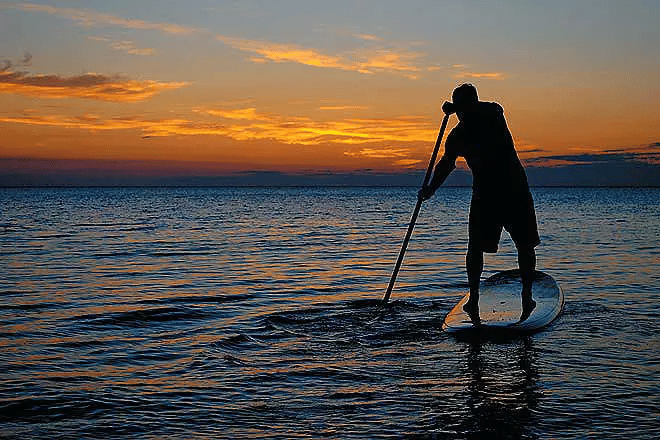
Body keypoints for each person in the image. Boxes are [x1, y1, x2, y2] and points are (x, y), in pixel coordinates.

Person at [419, 83, 540, 323]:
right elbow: (446, 164)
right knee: (474, 247)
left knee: (525, 245)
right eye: (460, 110)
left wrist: (456, 107)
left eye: (464, 107)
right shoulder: (457, 136)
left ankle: (527, 295)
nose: (463, 114)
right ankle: (473, 297)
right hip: (484, 194)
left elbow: (485, 109)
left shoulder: (493, 114)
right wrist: (430, 189)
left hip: (514, 189)